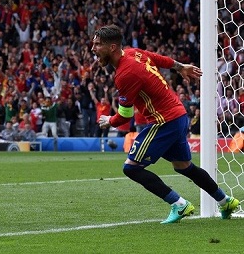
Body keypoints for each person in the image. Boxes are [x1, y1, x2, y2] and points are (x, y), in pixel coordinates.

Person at [93, 25, 240, 223]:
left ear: (111, 47)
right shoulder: (133, 53)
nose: (93, 48)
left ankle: (178, 204)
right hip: (178, 115)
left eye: (97, 44)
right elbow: (158, 58)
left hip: (164, 121)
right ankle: (225, 201)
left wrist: (108, 121)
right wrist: (180, 67)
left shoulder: (125, 74)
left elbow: (125, 116)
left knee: (131, 168)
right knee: (183, 166)